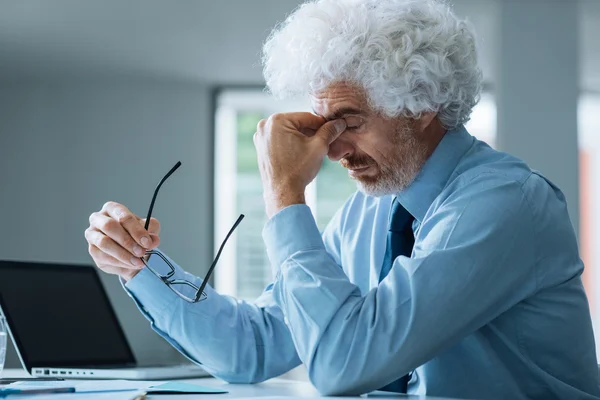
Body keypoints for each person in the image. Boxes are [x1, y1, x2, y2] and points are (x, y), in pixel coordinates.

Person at [84, 0, 600, 398]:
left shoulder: (505, 205)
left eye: (350, 122)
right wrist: (138, 265)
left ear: (421, 104)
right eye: (325, 124)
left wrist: (285, 195)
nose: (334, 149)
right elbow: (256, 345)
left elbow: (344, 365)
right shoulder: (369, 211)